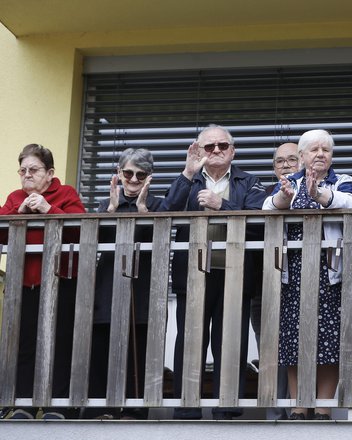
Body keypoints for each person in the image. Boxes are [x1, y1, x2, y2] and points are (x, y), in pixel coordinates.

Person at [161, 124, 268, 420]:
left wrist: (223, 205)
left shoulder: (249, 181)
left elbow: (259, 221)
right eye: (209, 147)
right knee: (190, 338)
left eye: (222, 146)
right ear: (199, 151)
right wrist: (187, 173)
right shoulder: (189, 180)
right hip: (194, 271)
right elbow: (167, 210)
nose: (217, 151)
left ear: (232, 151)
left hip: (236, 271)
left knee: (231, 338)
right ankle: (187, 406)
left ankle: (228, 405)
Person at [263, 129, 352, 420]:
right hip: (294, 272)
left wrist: (320, 194)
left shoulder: (342, 181)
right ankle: (299, 405)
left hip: (328, 273)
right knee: (294, 338)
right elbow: (267, 207)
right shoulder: (288, 182)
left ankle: (323, 407)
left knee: (329, 341)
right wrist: (283, 198)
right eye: (313, 150)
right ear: (302, 157)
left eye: (325, 150)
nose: (320, 154)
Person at [1, 144, 86, 419]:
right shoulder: (15, 198)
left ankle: (55, 406)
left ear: (49, 173)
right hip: (23, 285)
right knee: (24, 344)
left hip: (60, 282)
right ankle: (23, 405)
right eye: (23, 170)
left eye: (33, 170)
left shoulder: (66, 194)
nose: (27, 175)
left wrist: (50, 208)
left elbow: (82, 228)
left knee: (58, 344)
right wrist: (20, 214)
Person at [85, 148, 161, 420]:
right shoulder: (106, 203)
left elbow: (158, 241)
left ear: (149, 178)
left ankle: (134, 410)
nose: (133, 179)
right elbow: (94, 238)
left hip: (141, 287)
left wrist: (142, 210)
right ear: (119, 173)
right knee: (103, 345)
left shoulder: (158, 204)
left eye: (140, 175)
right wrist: (111, 210)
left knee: (138, 347)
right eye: (127, 173)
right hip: (108, 283)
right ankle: (100, 409)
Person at [250, 142, 298, 420]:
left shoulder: (312, 192)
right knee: (269, 349)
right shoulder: (263, 194)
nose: (285, 165)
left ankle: (300, 408)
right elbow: (255, 223)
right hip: (265, 285)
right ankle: (274, 414)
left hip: (302, 284)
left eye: (292, 159)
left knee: (299, 347)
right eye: (279, 161)